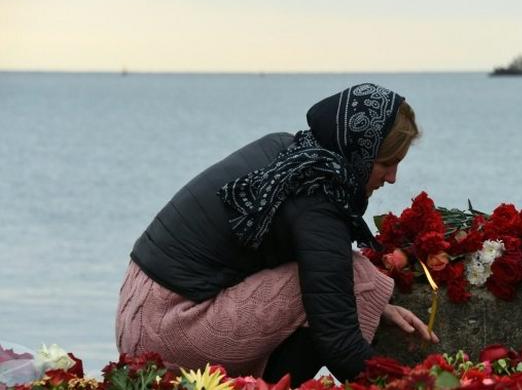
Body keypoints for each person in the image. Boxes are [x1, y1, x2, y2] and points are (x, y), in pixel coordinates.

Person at [115, 83, 438, 386]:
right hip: (170, 331)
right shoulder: (318, 196)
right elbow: (340, 346)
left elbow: (314, 259)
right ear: (360, 154)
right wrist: (417, 383)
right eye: (386, 164)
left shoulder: (293, 153)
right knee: (353, 279)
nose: (393, 178)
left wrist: (375, 301)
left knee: (348, 276)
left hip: (138, 312)